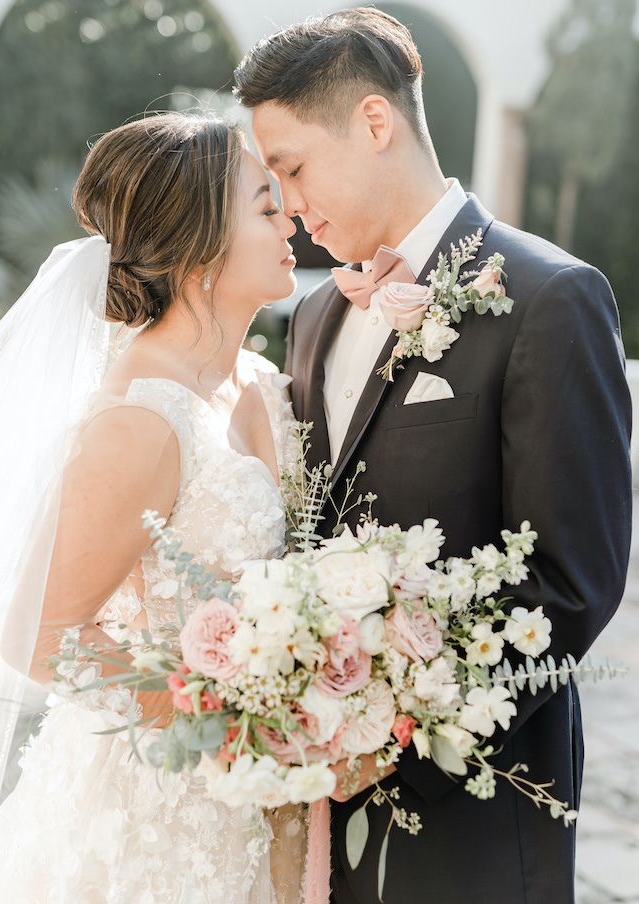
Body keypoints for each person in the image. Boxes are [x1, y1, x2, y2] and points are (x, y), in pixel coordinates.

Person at [233, 8, 633, 904]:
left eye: (292, 168)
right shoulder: (313, 317)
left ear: (375, 123)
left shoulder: (548, 297)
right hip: (318, 817)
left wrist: (385, 734)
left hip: (476, 816)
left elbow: (573, 582)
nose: (288, 204)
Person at [0, 112, 307, 903]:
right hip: (150, 810)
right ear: (200, 251)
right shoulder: (141, 419)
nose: (290, 216)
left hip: (261, 802)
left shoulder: (260, 381)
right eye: (265, 206)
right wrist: (219, 708)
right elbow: (39, 634)